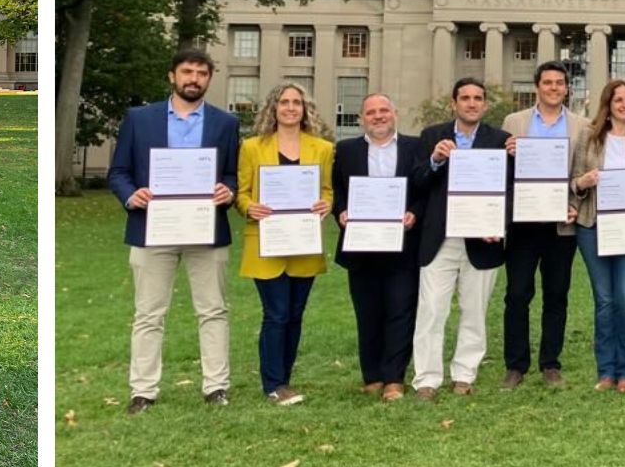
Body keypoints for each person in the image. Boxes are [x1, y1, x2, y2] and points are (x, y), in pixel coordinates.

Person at [108, 50, 240, 414]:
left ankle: (216, 386)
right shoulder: (140, 119)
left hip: (206, 228)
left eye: (201, 73)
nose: (193, 78)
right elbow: (118, 172)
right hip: (153, 228)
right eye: (187, 71)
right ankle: (143, 391)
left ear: (209, 79)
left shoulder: (225, 124)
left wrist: (228, 192)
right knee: (149, 313)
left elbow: (231, 175)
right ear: (172, 76)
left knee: (213, 310)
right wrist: (130, 195)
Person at [409, 77, 511, 399]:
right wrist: (435, 161)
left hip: (483, 240)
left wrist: (500, 225)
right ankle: (426, 379)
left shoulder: (501, 141)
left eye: (477, 98)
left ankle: (464, 374)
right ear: (454, 103)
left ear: (485, 105)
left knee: (474, 310)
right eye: (464, 98)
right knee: (431, 310)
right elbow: (417, 183)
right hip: (440, 238)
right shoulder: (431, 137)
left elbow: (510, 190)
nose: (471, 103)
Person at [236, 83, 335, 405]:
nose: (291, 107)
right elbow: (242, 192)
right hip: (266, 241)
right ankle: (273, 384)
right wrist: (249, 207)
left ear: (305, 109)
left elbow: (327, 190)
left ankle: (285, 379)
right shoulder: (252, 147)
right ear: (273, 108)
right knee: (276, 313)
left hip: (303, 242)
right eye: (284, 102)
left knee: (295, 314)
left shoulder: (321, 148)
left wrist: (325, 204)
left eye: (297, 102)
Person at [497, 61, 588, 389]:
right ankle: (515, 366)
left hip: (560, 226)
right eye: (547, 82)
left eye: (559, 83)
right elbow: (504, 174)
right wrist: (509, 153)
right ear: (537, 87)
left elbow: (582, 172)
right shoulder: (514, 122)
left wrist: (574, 206)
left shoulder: (582, 126)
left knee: (556, 294)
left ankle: (550, 364)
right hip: (523, 223)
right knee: (517, 294)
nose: (553, 88)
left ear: (566, 88)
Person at [570, 79, 625, 393]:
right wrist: (585, 181)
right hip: (592, 227)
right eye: (618, 99)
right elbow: (574, 182)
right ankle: (606, 370)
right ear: (607, 105)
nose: (624, 104)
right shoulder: (589, 137)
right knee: (604, 302)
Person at [332, 93, 422, 402]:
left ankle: (394, 377)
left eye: (384, 110)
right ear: (362, 119)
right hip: (361, 245)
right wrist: (341, 211)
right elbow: (338, 192)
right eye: (371, 112)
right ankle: (372, 375)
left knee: (400, 310)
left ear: (394, 114)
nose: (378, 116)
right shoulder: (345, 151)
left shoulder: (414, 147)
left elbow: (423, 189)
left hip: (402, 245)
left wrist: (415, 212)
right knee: (367, 312)